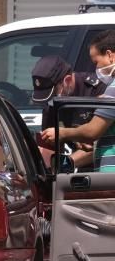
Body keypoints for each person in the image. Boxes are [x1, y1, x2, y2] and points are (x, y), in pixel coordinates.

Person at [41, 30, 115, 169]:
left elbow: (92, 132)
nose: (96, 68)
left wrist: (62, 133)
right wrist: (81, 138)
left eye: (96, 62)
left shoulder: (110, 88)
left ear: (110, 55)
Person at [30, 54, 104, 168]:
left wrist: (65, 163)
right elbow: (50, 147)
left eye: (53, 95)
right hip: (77, 172)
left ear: (67, 80)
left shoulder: (99, 89)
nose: (50, 102)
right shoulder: (52, 103)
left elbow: (101, 144)